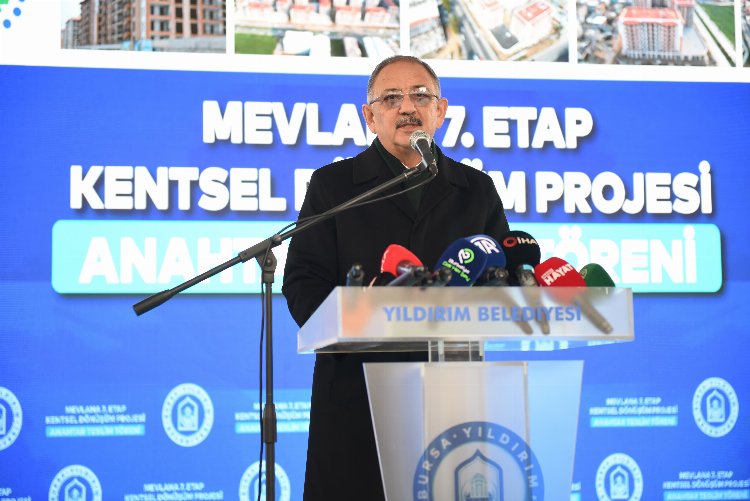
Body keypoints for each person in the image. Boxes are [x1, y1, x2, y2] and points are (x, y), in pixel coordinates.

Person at [282, 55, 510, 500]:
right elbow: (303, 281)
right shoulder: (334, 186)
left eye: (420, 96)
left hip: (451, 394)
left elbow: (501, 276)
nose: (407, 107)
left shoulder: (476, 189)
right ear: (370, 117)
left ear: (440, 110)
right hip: (357, 396)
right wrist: (354, 317)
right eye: (390, 98)